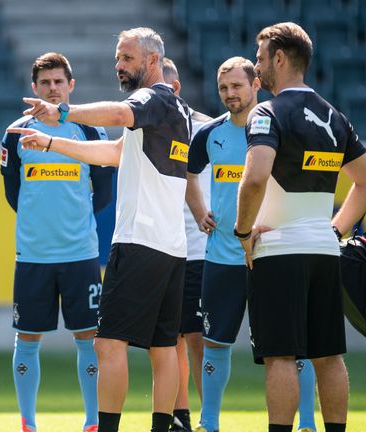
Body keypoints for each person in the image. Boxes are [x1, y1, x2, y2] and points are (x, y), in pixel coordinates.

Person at [7, 27, 191, 432]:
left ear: (153, 60)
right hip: (171, 246)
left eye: (127, 58)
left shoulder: (150, 99)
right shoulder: (176, 109)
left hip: (139, 241)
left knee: (107, 344)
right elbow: (113, 154)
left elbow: (120, 114)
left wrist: (64, 114)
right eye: (117, 58)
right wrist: (52, 142)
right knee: (163, 347)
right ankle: (165, 426)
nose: (119, 66)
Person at [235, 22, 366, 432]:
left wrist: (242, 233)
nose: (256, 69)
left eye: (259, 59)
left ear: (279, 58)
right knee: (329, 356)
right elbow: (364, 180)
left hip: (278, 252)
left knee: (280, 357)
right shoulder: (334, 114)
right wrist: (336, 230)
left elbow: (255, 178)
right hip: (325, 253)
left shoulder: (267, 111)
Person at [188, 55, 317, 432]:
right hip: (222, 258)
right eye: (223, 88)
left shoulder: (280, 130)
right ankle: (208, 422)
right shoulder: (209, 134)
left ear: (255, 84)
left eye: (237, 86)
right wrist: (199, 211)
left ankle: (307, 422)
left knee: (292, 348)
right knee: (214, 344)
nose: (230, 94)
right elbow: (187, 173)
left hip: (274, 256)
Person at [0, 52, 115, 432]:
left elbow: (102, 195)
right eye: (45, 82)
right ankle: (28, 424)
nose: (52, 88)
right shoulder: (16, 133)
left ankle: (93, 421)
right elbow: (12, 193)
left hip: (80, 253)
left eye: (58, 82)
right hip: (33, 254)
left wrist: (73, 222)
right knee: (27, 337)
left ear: (71, 86)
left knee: (89, 338)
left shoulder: (90, 131)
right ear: (34, 88)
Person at [161, 57, 211, 432]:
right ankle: (180, 418)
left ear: (174, 88)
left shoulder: (209, 131)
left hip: (197, 249)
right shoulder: (145, 128)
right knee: (168, 336)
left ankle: (207, 417)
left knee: (195, 336)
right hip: (159, 247)